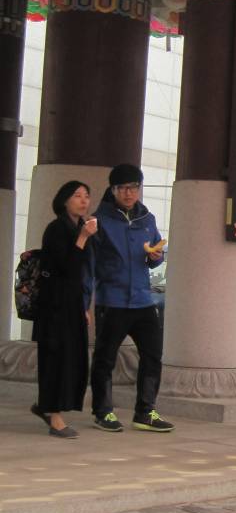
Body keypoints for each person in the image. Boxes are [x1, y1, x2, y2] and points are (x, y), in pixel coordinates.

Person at [89, 164, 174, 434]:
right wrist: (85, 300)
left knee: (153, 355)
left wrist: (156, 256)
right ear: (113, 190)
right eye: (123, 188)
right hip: (112, 300)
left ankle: (145, 411)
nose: (129, 193)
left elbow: (153, 258)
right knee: (105, 358)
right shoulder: (99, 221)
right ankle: (103, 411)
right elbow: (89, 263)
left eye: (134, 187)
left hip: (143, 300)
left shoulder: (147, 219)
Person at [31, 181, 97, 439]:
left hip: (72, 304)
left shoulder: (78, 228)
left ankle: (46, 406)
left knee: (72, 358)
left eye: (86, 196)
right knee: (56, 359)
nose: (83, 200)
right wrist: (83, 238)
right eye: (77, 196)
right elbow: (67, 268)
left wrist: (84, 305)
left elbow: (84, 274)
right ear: (64, 200)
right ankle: (54, 416)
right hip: (54, 305)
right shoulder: (56, 229)